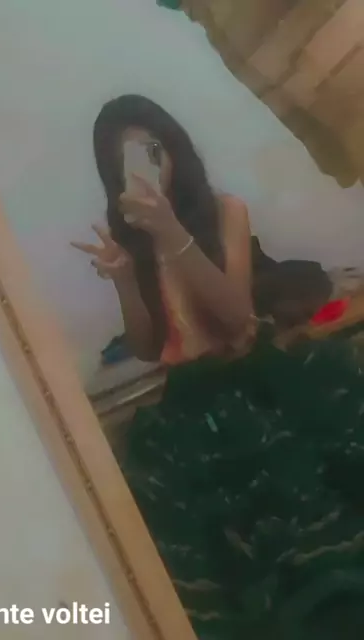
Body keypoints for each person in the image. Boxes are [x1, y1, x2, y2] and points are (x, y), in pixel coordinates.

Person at [72, 94, 364, 639]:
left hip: (258, 381)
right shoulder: (135, 243)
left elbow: (235, 317)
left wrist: (171, 233)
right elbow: (147, 345)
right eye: (126, 163)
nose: (146, 170)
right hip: (189, 403)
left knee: (323, 529)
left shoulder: (225, 211)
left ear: (174, 148)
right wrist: (125, 280)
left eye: (152, 150)